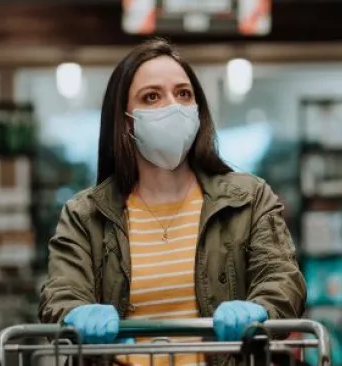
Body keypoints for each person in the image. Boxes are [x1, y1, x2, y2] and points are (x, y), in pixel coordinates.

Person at [39, 38, 306, 363]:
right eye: (151, 97)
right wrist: (75, 313)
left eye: (183, 94)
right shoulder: (85, 215)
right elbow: (61, 293)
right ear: (125, 120)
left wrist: (261, 307)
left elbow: (282, 277)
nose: (172, 106)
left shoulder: (249, 200)